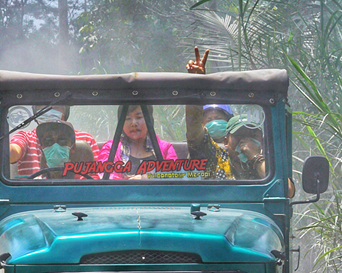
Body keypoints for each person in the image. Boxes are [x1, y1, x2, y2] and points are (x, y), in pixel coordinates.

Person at [184, 47, 267, 180]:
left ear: (261, 140)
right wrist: (196, 84)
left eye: (252, 135)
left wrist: (255, 158)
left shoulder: (267, 160)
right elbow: (194, 127)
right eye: (239, 135)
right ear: (226, 141)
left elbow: (286, 190)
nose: (245, 142)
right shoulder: (215, 156)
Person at [10, 104, 98, 177]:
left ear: (65, 112)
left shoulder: (86, 139)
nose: (48, 111)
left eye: (56, 107)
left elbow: (96, 180)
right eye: (43, 108)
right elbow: (11, 153)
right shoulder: (25, 137)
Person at [96, 103, 178, 179]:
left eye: (139, 117)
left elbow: (175, 176)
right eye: (128, 118)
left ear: (150, 120)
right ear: (120, 123)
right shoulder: (110, 149)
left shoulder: (166, 148)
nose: (134, 123)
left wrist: (146, 178)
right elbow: (104, 177)